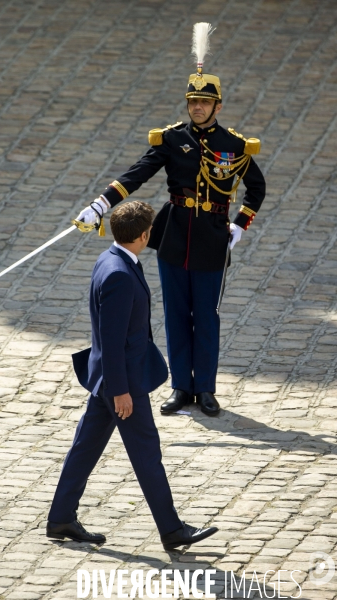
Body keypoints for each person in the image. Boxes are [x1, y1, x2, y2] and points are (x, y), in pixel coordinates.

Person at [76, 23, 266, 417]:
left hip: (213, 237)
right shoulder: (172, 139)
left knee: (206, 317)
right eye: (192, 101)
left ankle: (207, 388)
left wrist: (240, 224)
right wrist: (100, 204)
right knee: (176, 315)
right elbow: (135, 174)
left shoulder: (234, 145)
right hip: (175, 235)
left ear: (218, 106)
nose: (197, 108)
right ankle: (181, 386)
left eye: (204, 103)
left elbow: (257, 187)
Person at [46, 201, 218, 550]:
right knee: (146, 453)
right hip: (122, 381)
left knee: (84, 448)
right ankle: (171, 530)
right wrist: (121, 391)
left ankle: (61, 517)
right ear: (143, 235)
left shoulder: (111, 260)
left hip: (108, 379)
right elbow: (111, 340)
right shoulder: (120, 275)